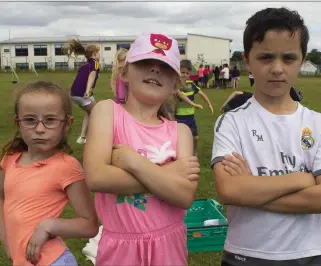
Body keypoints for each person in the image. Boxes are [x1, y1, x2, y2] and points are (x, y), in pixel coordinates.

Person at [211, 7, 321, 266]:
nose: (277, 68)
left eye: (288, 58)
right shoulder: (232, 121)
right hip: (245, 254)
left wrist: (252, 191)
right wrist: (302, 178)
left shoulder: (320, 125)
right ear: (248, 60)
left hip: (308, 254)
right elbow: (229, 190)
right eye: (265, 57)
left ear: (302, 59)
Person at [83, 33, 200, 265]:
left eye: (165, 67)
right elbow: (96, 177)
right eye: (146, 63)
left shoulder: (181, 132)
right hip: (120, 249)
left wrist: (132, 161)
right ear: (125, 73)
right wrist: (168, 173)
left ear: (175, 85)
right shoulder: (107, 112)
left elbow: (184, 196)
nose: (155, 70)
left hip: (169, 247)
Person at [0, 81, 99, 266]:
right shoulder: (10, 159)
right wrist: (6, 241)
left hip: (53, 261)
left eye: (50, 120)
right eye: (29, 120)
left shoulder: (67, 166)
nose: (40, 129)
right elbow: (0, 197)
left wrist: (48, 226)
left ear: (66, 124)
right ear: (17, 122)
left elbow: (89, 225)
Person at [65, 39, 101, 144]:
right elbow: (92, 76)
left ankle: (82, 138)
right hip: (83, 94)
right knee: (97, 112)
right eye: (99, 53)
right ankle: (96, 137)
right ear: (94, 54)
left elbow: (79, 79)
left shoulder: (85, 65)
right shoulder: (95, 64)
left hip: (73, 94)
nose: (99, 56)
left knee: (90, 112)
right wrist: (88, 90)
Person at [176, 59, 214, 156]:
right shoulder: (175, 84)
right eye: (182, 72)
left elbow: (201, 94)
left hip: (190, 116)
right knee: (180, 138)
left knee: (195, 137)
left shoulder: (191, 84)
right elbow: (180, 95)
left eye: (187, 73)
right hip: (179, 117)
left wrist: (209, 103)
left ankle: (194, 151)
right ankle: (179, 154)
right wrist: (194, 104)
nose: (184, 75)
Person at [220, 86, 303, 113]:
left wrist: (223, 105)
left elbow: (235, 93)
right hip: (231, 108)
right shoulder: (255, 100)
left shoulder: (251, 96)